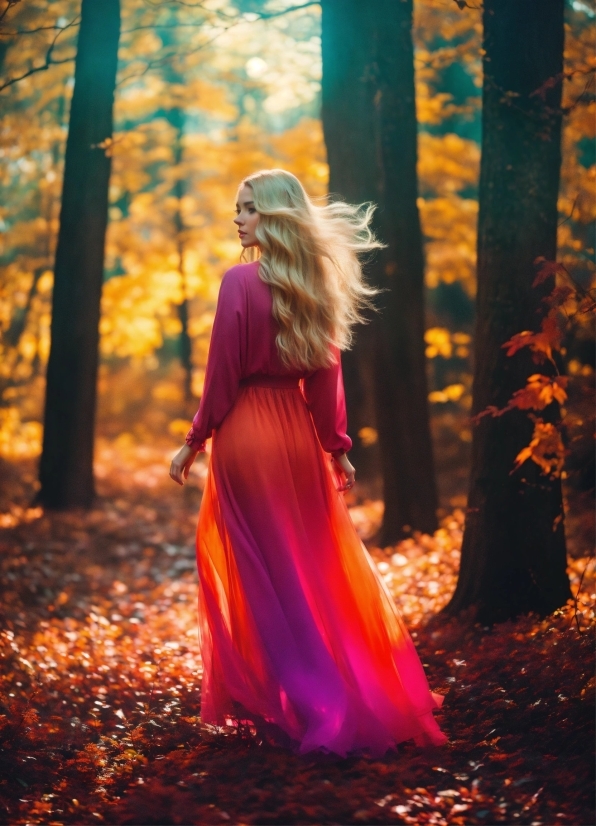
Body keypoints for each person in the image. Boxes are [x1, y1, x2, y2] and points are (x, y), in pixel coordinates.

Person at [169, 169, 447, 757]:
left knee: (265, 577)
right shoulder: (314, 286)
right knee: (314, 569)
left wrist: (193, 441)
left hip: (245, 435)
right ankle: (349, 691)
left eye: (248, 209)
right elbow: (326, 382)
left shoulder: (238, 283)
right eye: (237, 208)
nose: (237, 218)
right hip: (297, 438)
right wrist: (335, 448)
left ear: (275, 216)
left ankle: (310, 703)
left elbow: (221, 377)